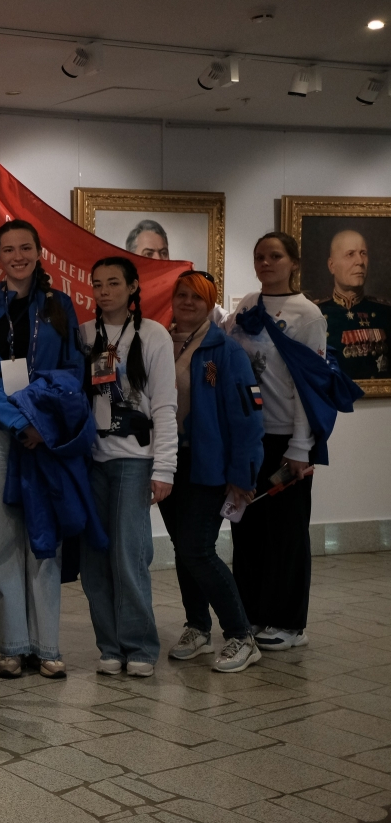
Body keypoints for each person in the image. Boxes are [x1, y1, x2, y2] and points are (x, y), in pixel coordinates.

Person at [0, 219, 83, 680]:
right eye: (8, 249)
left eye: (25, 248)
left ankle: (47, 645)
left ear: (39, 253)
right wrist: (19, 422)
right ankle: (12, 645)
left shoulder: (60, 306)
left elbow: (73, 370)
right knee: (3, 537)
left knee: (45, 535)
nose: (17, 256)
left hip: (45, 434)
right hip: (0, 433)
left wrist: (41, 424)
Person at [226, 232, 327, 652]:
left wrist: (301, 448)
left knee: (286, 533)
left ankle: (289, 623)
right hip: (248, 435)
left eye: (275, 256)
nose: (265, 263)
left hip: (285, 438)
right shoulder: (247, 305)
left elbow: (310, 387)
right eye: (259, 257)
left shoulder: (308, 315)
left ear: (294, 262)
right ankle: (251, 611)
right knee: (247, 530)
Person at [160, 271, 264, 673]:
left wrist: (243, 475)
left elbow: (246, 418)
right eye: (181, 295)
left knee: (198, 549)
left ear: (210, 303)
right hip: (170, 463)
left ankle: (241, 635)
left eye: (197, 297)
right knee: (183, 549)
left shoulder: (224, 351)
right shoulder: (160, 343)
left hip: (209, 466)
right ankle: (197, 627)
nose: (187, 302)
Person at [80, 257, 178, 678]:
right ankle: (109, 645)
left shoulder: (153, 335)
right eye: (97, 284)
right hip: (91, 461)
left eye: (114, 283)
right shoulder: (84, 335)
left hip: (134, 461)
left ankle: (139, 646)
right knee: (94, 559)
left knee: (129, 556)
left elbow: (165, 406)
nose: (104, 292)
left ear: (134, 286)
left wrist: (164, 468)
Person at [314, 229, 390, 379]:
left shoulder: (386, 312)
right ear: (331, 266)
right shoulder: (314, 312)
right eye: (350, 254)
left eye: (363, 253)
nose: (360, 262)